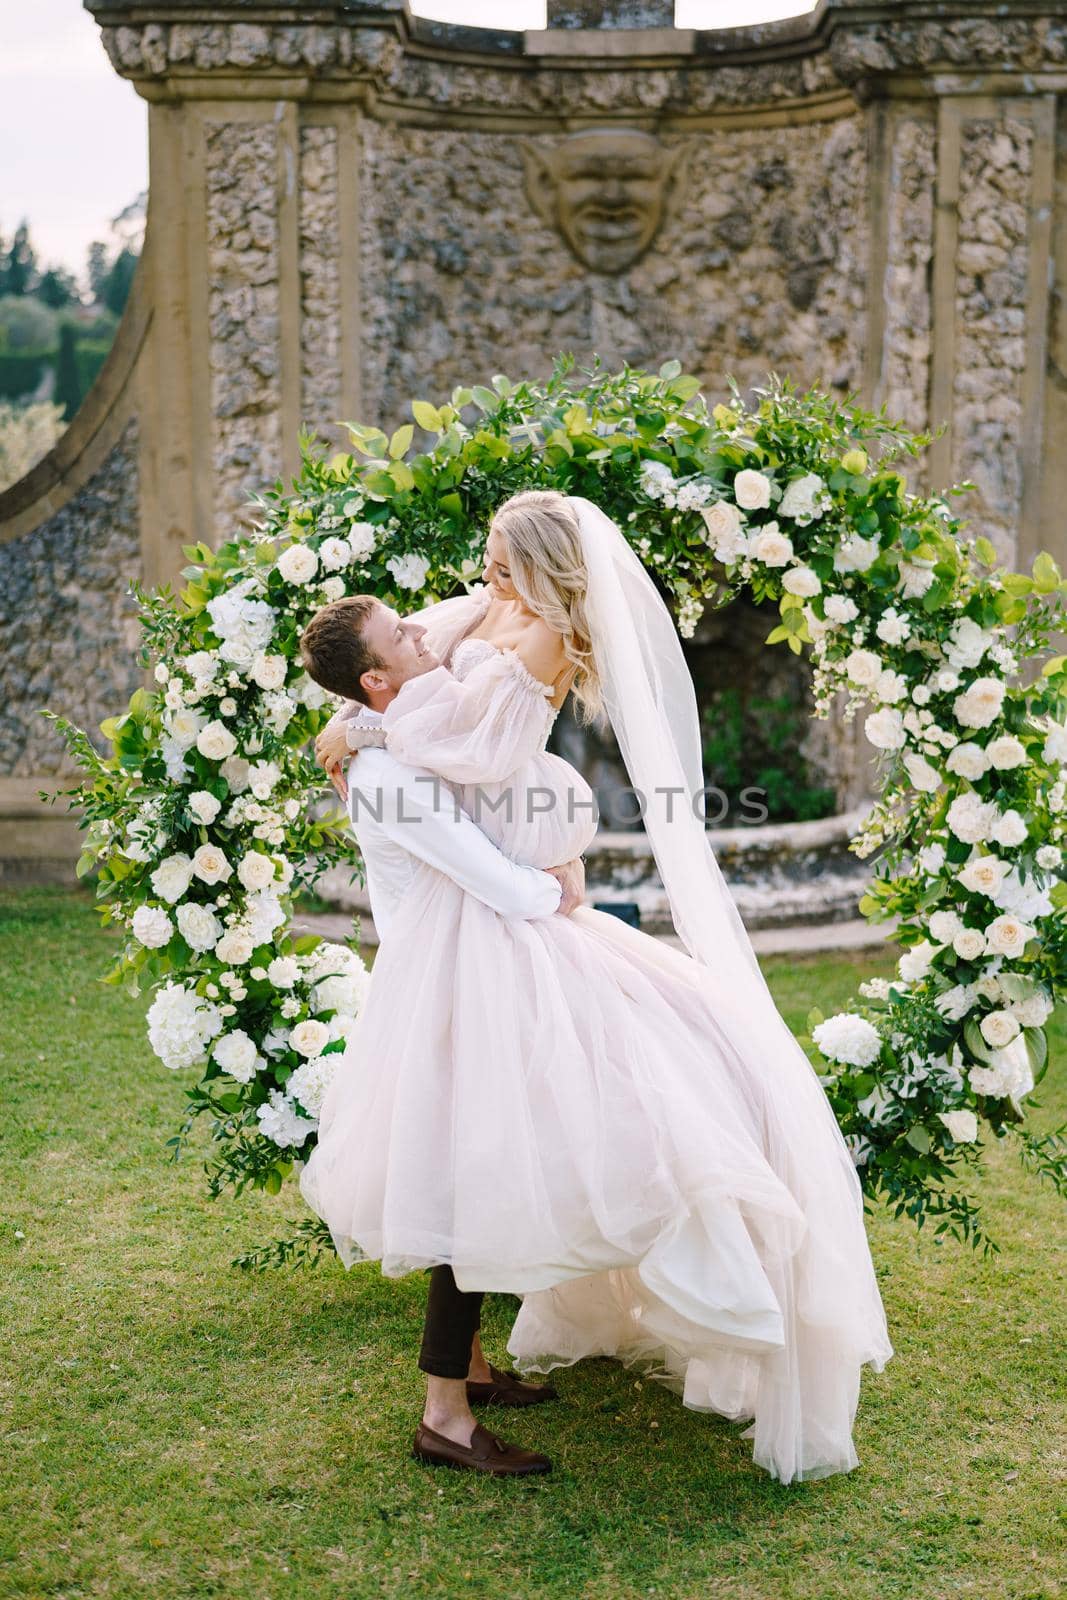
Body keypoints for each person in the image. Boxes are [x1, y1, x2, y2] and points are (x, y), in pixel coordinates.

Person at [299, 491, 893, 1486]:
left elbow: (480, 752)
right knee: (484, 1140)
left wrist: (371, 735)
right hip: (479, 928)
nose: (479, 577)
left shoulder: (546, 638)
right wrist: (361, 720)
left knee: (563, 1108)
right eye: (482, 560)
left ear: (537, 568)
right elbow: (389, 663)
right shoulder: (469, 615)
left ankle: (470, 1370)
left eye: (497, 562)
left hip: (505, 912)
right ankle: (445, 1406)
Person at [297, 593, 586, 1477]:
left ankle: (468, 1366)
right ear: (376, 678)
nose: (424, 631)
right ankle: (444, 1420)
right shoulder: (389, 777)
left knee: (485, 1164)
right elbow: (488, 878)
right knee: (471, 1182)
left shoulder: (389, 732)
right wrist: (560, 886)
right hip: (454, 985)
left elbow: (450, 624)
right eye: (400, 635)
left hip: (466, 969)